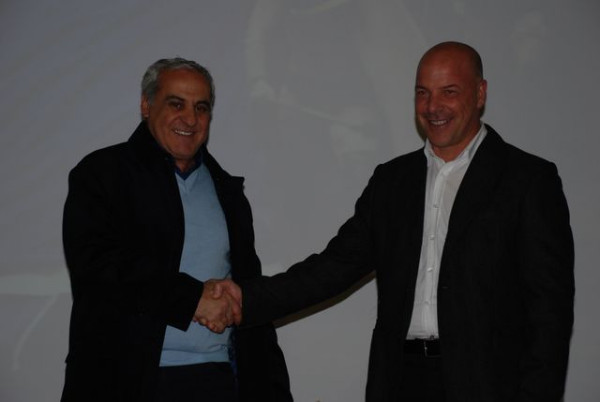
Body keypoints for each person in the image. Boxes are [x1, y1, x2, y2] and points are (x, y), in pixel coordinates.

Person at [213, 42, 575, 401]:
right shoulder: (392, 181)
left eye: (449, 92)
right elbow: (332, 268)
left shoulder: (527, 180)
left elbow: (550, 313)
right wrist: (247, 297)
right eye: (423, 93)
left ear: (480, 93)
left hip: (488, 387)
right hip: (400, 382)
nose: (433, 106)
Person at [61, 58, 293, 402]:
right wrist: (192, 299)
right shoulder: (101, 174)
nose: (190, 118)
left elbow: (250, 300)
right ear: (146, 105)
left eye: (201, 107)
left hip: (217, 380)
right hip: (123, 382)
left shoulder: (227, 192)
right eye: (176, 104)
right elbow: (97, 265)